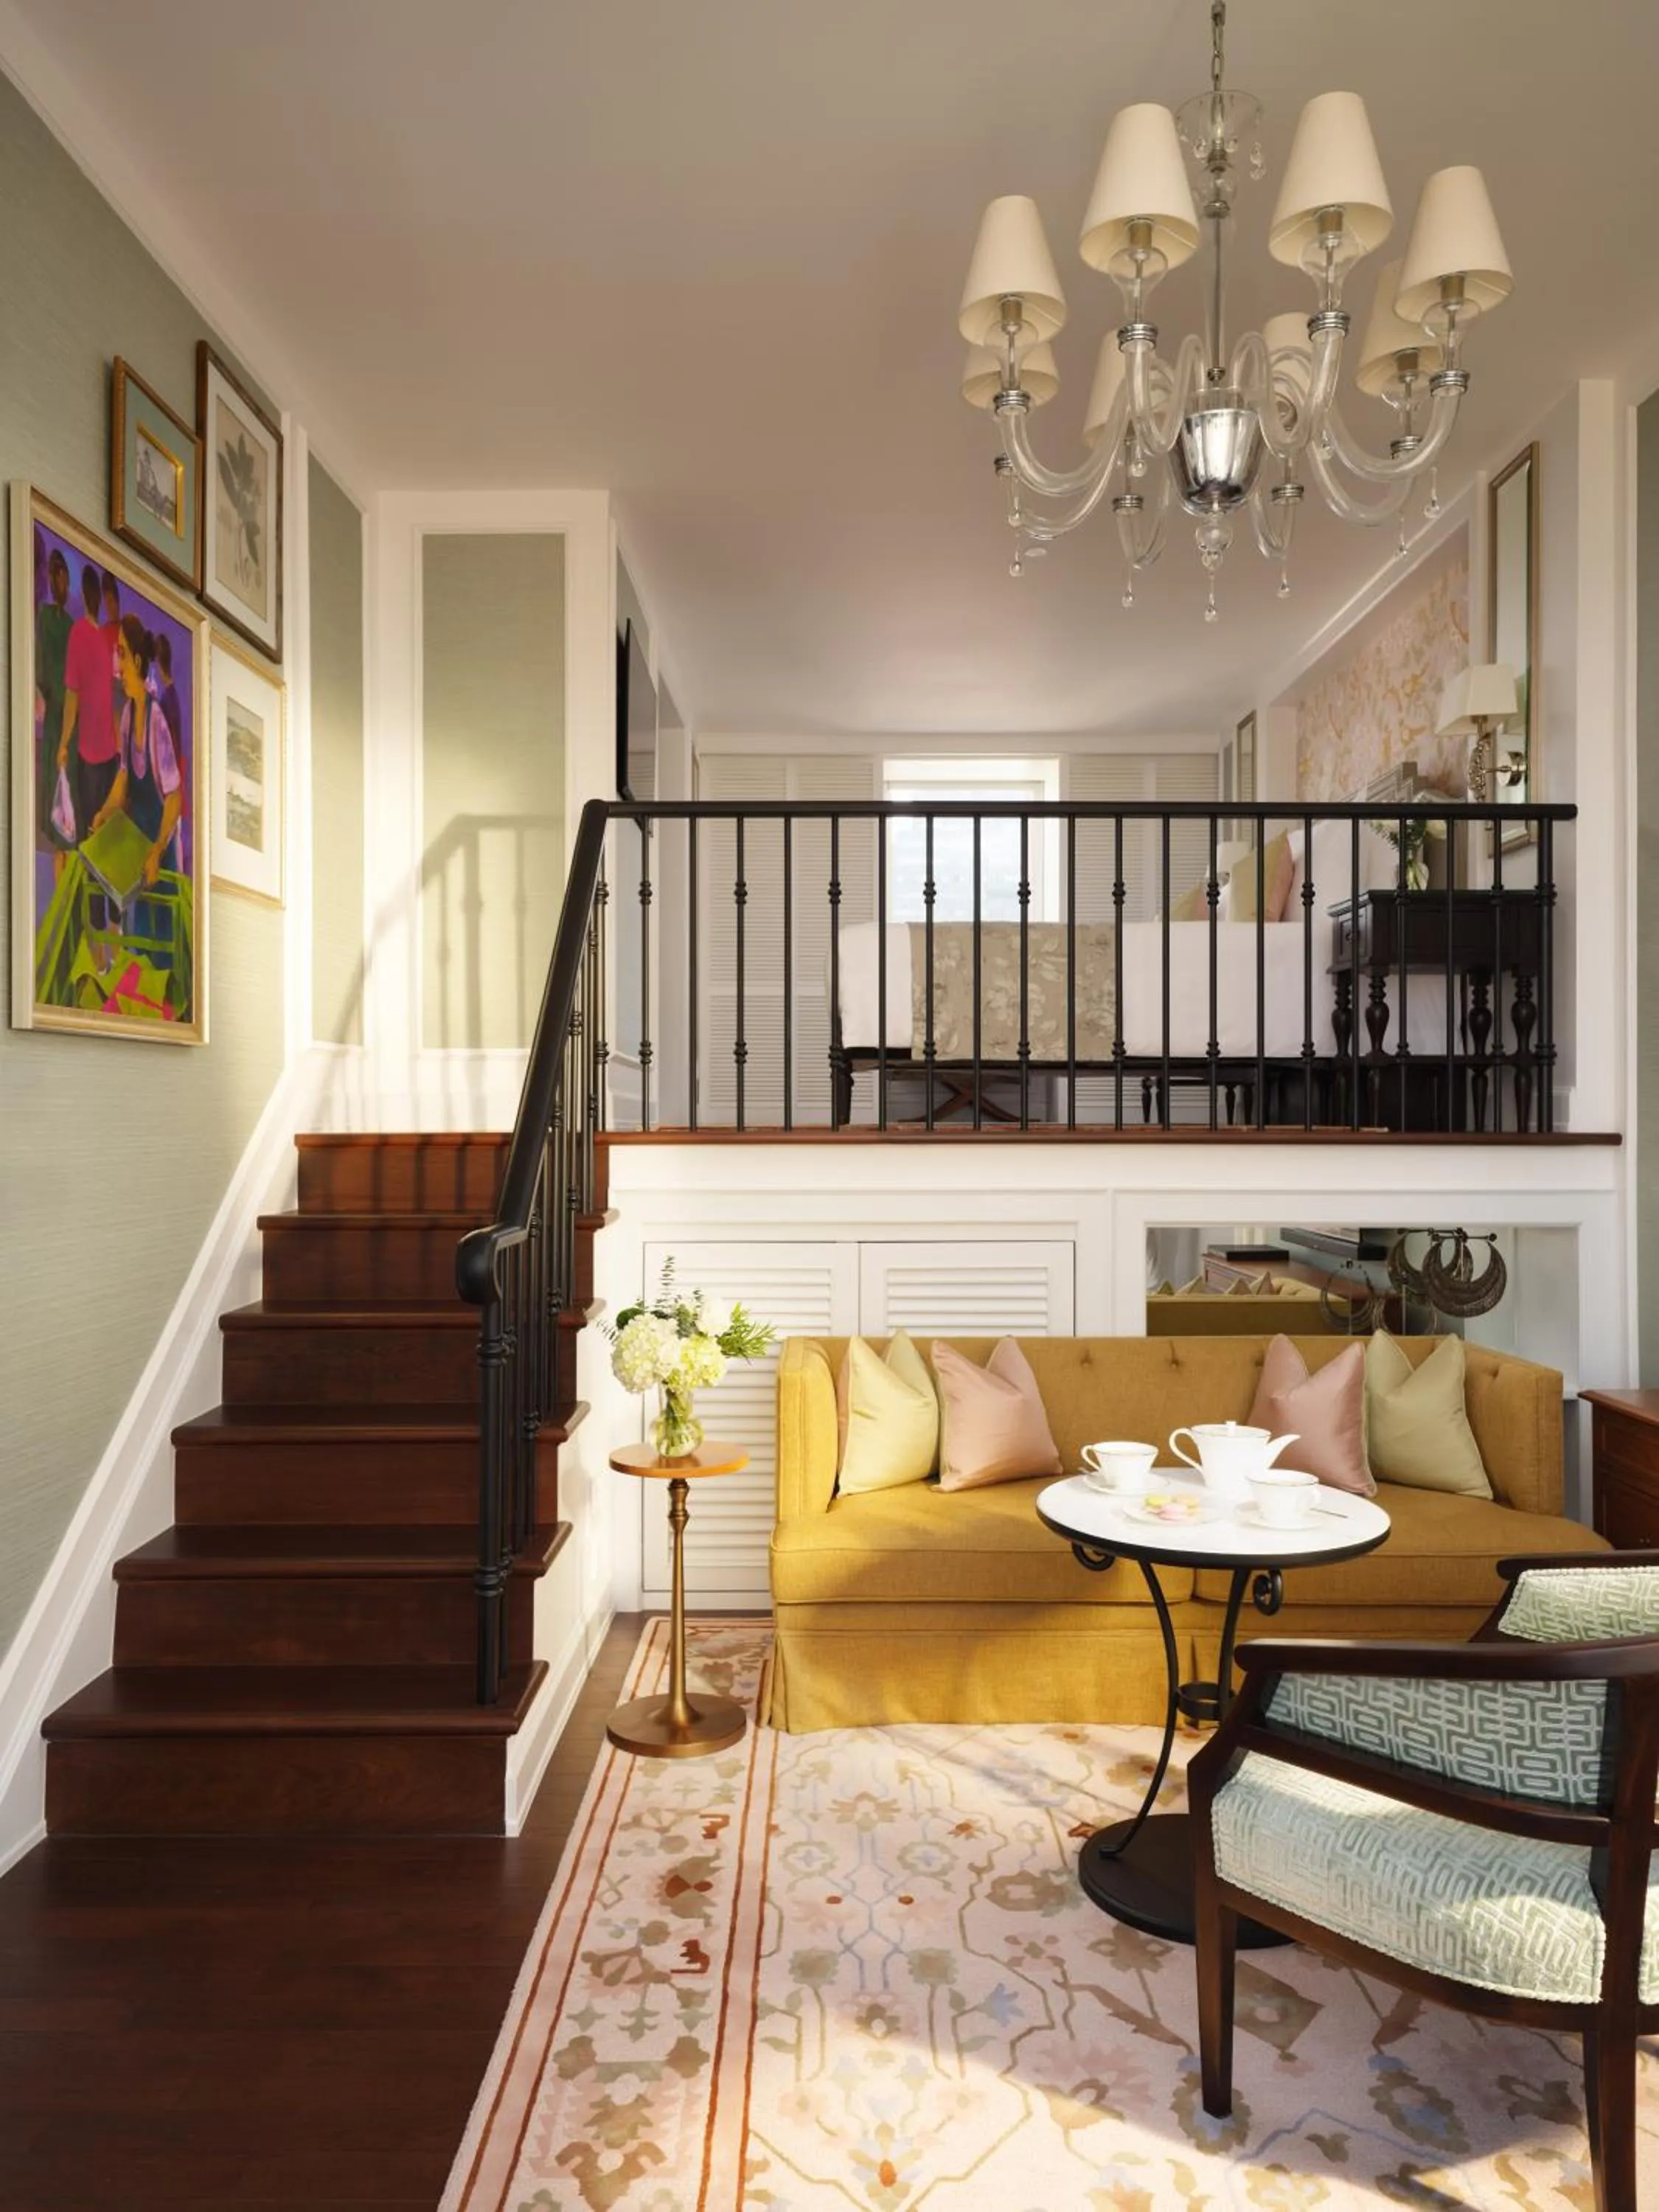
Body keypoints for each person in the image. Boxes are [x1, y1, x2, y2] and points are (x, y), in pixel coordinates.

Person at [92, 616, 184, 889]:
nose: (116, 664)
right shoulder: (128, 717)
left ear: (138, 661)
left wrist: (157, 849)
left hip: (160, 860)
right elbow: (124, 776)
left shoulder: (156, 720)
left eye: (121, 653)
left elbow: (174, 797)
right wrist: (105, 812)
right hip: (137, 855)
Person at [59, 564, 121, 837]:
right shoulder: (107, 638)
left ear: (84, 596)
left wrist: (63, 744)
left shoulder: (78, 634)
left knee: (88, 831)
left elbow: (72, 698)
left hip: (90, 752)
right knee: (106, 830)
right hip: (111, 753)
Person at [34, 545, 73, 848]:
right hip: (51, 701)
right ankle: (49, 823)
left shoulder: (70, 624)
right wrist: (39, 690)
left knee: (62, 762)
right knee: (49, 759)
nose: (61, 584)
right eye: (58, 578)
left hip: (66, 705)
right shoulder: (44, 617)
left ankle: (62, 824)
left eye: (63, 579)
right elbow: (40, 658)